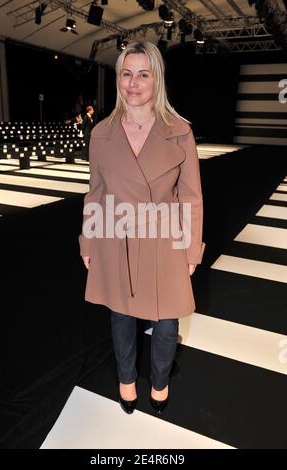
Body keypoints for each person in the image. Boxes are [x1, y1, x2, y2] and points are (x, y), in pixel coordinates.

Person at [78, 41, 206, 416]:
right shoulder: (101, 133)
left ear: (157, 79)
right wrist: (88, 241)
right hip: (116, 236)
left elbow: (191, 197)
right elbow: (95, 193)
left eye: (143, 74)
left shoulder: (180, 131)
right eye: (126, 73)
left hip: (165, 238)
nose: (133, 83)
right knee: (121, 316)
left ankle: (161, 380)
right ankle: (126, 379)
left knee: (167, 322)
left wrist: (190, 249)